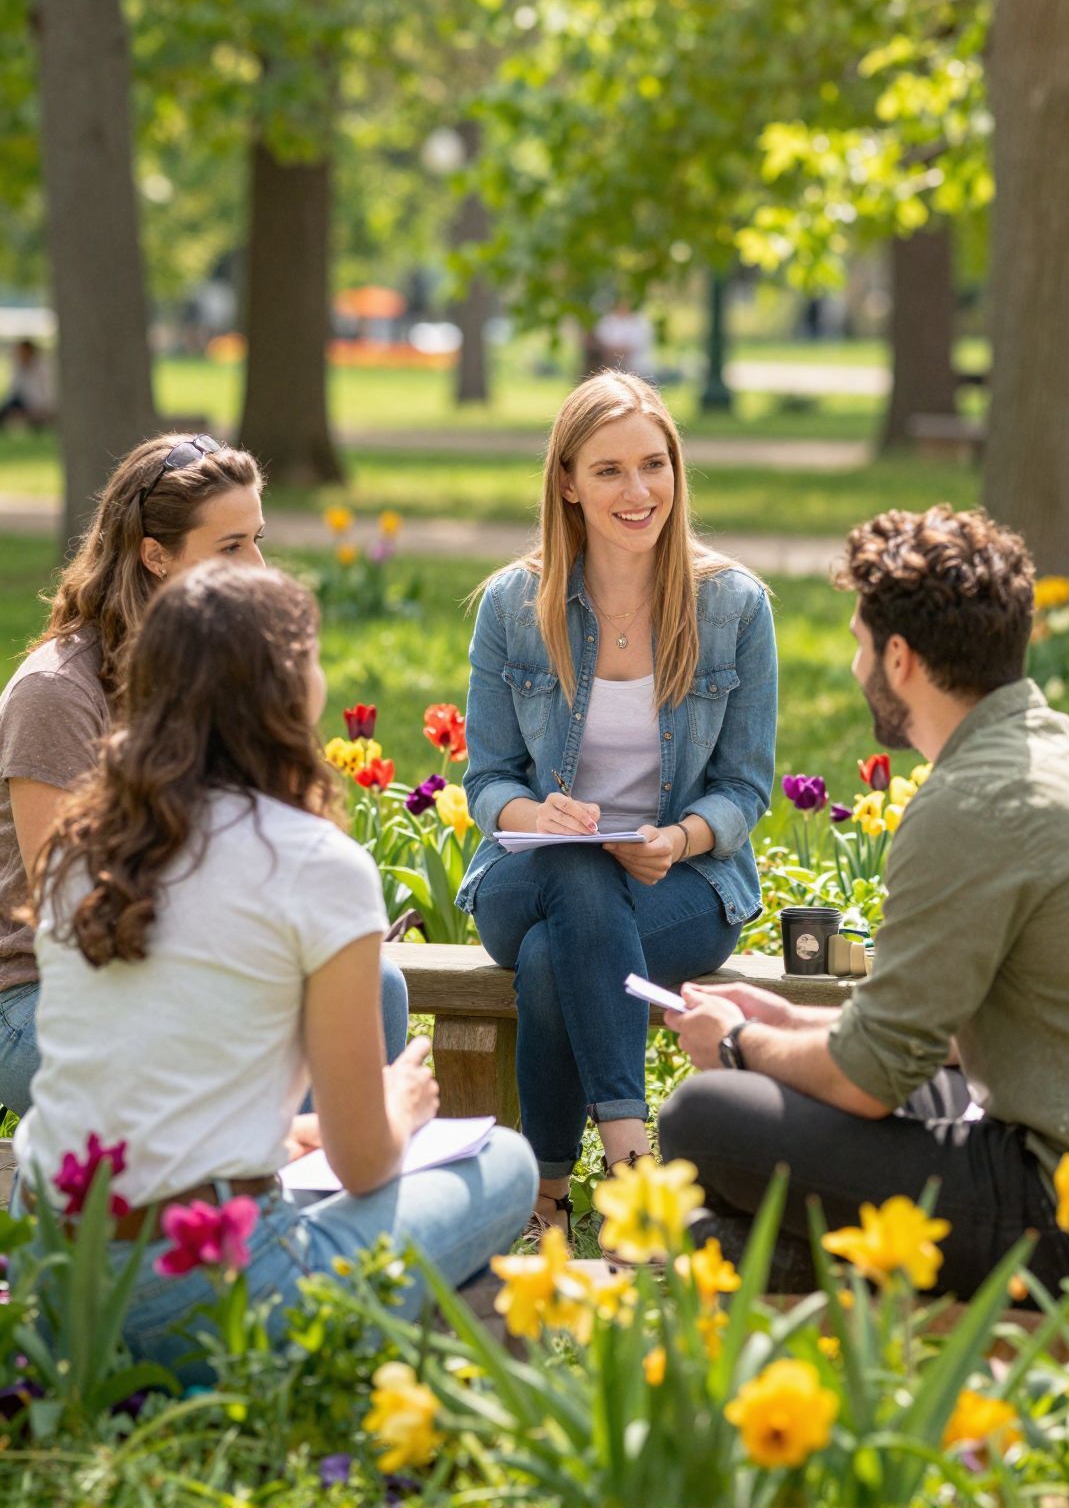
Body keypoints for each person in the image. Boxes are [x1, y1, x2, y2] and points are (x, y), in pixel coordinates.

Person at [13, 563, 537, 1378]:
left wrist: (289, 1134)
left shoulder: (83, 847)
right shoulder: (312, 860)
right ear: (292, 688)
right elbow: (366, 1163)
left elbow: (147, 1072)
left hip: (52, 1277)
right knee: (506, 1165)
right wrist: (396, 1103)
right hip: (211, 1296)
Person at [660, 505, 1069, 1297]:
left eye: (859, 643)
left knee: (708, 1115)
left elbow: (867, 1079)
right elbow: (945, 1031)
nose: (855, 669)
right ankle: (774, 1259)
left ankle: (781, 1266)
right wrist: (792, 1025)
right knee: (780, 1093)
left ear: (899, 658)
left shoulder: (970, 803)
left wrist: (736, 1045)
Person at [0, 431, 406, 1114]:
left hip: (187, 962)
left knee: (377, 987)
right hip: (45, 999)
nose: (258, 567)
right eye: (230, 547)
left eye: (258, 539)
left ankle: (306, 1194)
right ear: (154, 556)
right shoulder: (58, 693)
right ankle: (264, 1199)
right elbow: (72, 912)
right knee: (259, 1026)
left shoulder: (214, 675)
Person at [458, 371, 776, 1239]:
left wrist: (679, 836)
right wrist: (537, 818)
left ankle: (549, 1195)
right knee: (571, 867)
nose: (638, 493)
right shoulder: (512, 608)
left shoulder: (734, 606)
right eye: (608, 471)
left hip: (681, 885)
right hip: (527, 874)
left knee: (556, 956)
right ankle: (635, 1161)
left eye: (653, 466)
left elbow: (747, 786)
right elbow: (488, 779)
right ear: (566, 481)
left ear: (676, 469)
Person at [0, 339, 53, 430]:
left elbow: (48, 392)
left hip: (38, 406)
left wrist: (43, 409)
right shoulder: (19, 368)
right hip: (22, 403)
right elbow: (14, 391)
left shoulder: (42, 369)